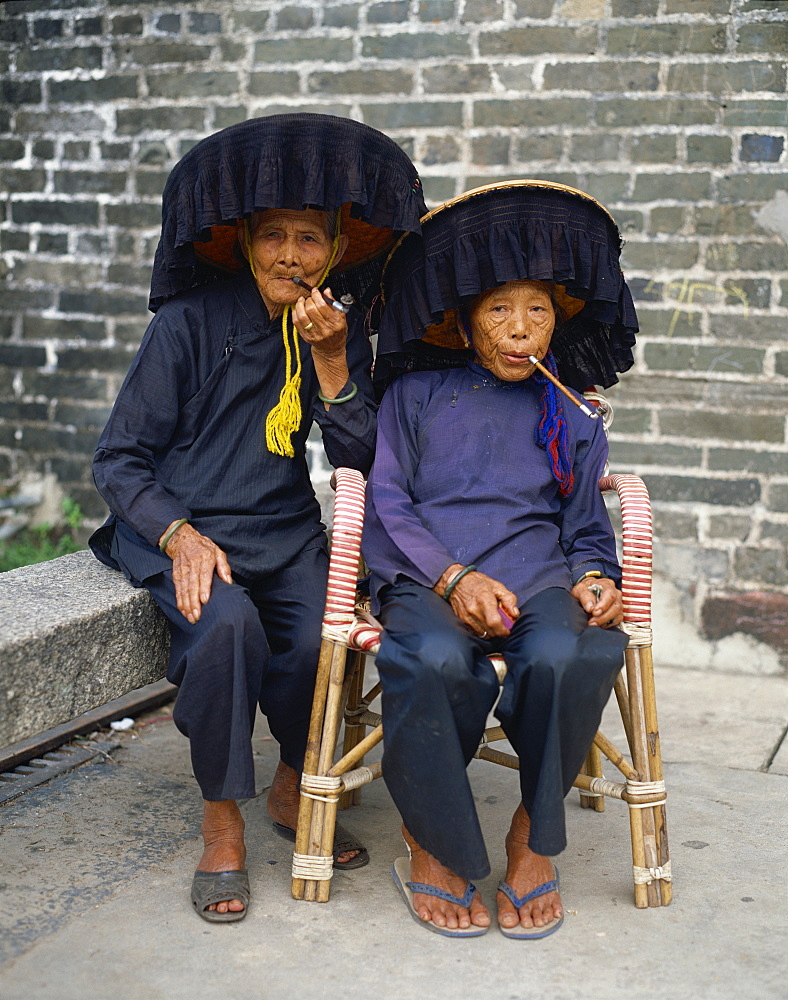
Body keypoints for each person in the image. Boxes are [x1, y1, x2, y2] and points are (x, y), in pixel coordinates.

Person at [89, 114, 426, 922]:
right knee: (229, 627)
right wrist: (177, 533)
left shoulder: (330, 327)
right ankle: (222, 821)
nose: (289, 255)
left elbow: (358, 454)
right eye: (271, 235)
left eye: (309, 238)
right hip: (181, 527)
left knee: (323, 634)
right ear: (244, 243)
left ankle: (288, 784)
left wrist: (337, 359)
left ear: (336, 249)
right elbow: (119, 458)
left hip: (281, 528)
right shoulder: (187, 325)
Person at [363, 182, 638, 938]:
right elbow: (388, 497)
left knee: (571, 651)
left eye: (538, 310)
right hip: (427, 573)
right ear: (462, 322)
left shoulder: (572, 412)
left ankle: (530, 838)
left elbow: (585, 526)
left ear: (559, 319)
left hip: (537, 578)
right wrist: (452, 578)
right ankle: (434, 847)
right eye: (498, 310)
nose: (522, 331)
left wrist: (594, 577)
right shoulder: (415, 394)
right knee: (432, 661)